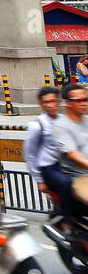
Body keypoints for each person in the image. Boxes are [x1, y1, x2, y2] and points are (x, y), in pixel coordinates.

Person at [50, 82, 88, 217]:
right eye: (79, 100)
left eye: (86, 99)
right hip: (79, 178)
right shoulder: (61, 127)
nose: (84, 103)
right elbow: (74, 155)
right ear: (67, 102)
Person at [25, 86, 64, 210]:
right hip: (51, 174)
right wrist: (39, 180)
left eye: (53, 101)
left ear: (58, 102)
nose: (50, 105)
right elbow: (30, 155)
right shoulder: (37, 126)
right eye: (46, 102)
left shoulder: (64, 121)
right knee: (62, 208)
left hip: (68, 170)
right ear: (41, 104)